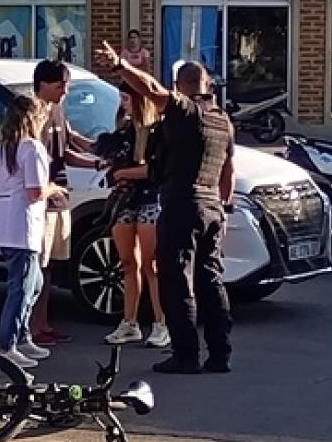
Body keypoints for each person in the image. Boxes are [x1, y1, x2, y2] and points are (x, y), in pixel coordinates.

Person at [97, 41, 235, 375]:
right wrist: (224, 206)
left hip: (182, 203)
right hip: (212, 207)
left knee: (176, 279)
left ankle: (186, 354)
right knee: (211, 279)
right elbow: (229, 169)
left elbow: (152, 89)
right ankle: (220, 355)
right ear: (208, 85)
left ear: (183, 87)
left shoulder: (187, 110)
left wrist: (121, 66)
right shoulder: (223, 120)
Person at [0, 94, 63, 368]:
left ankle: (23, 335)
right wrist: (55, 188)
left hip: (3, 224)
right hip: (23, 226)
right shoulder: (32, 148)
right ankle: (7, 345)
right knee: (21, 288)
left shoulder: (2, 148)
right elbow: (35, 191)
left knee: (34, 282)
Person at [29, 60, 105, 346]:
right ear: (43, 84)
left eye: (66, 84)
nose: (65, 90)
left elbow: (69, 146)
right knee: (37, 266)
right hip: (42, 201)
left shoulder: (58, 112)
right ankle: (31, 329)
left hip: (62, 199)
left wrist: (99, 158)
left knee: (50, 268)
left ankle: (44, 323)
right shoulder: (33, 115)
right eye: (60, 84)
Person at [104, 86, 169, 348]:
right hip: (126, 199)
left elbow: (155, 169)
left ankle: (161, 323)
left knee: (151, 265)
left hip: (151, 197)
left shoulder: (158, 131)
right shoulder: (124, 129)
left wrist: (122, 174)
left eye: (127, 98)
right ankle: (129, 322)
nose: (124, 104)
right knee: (128, 263)